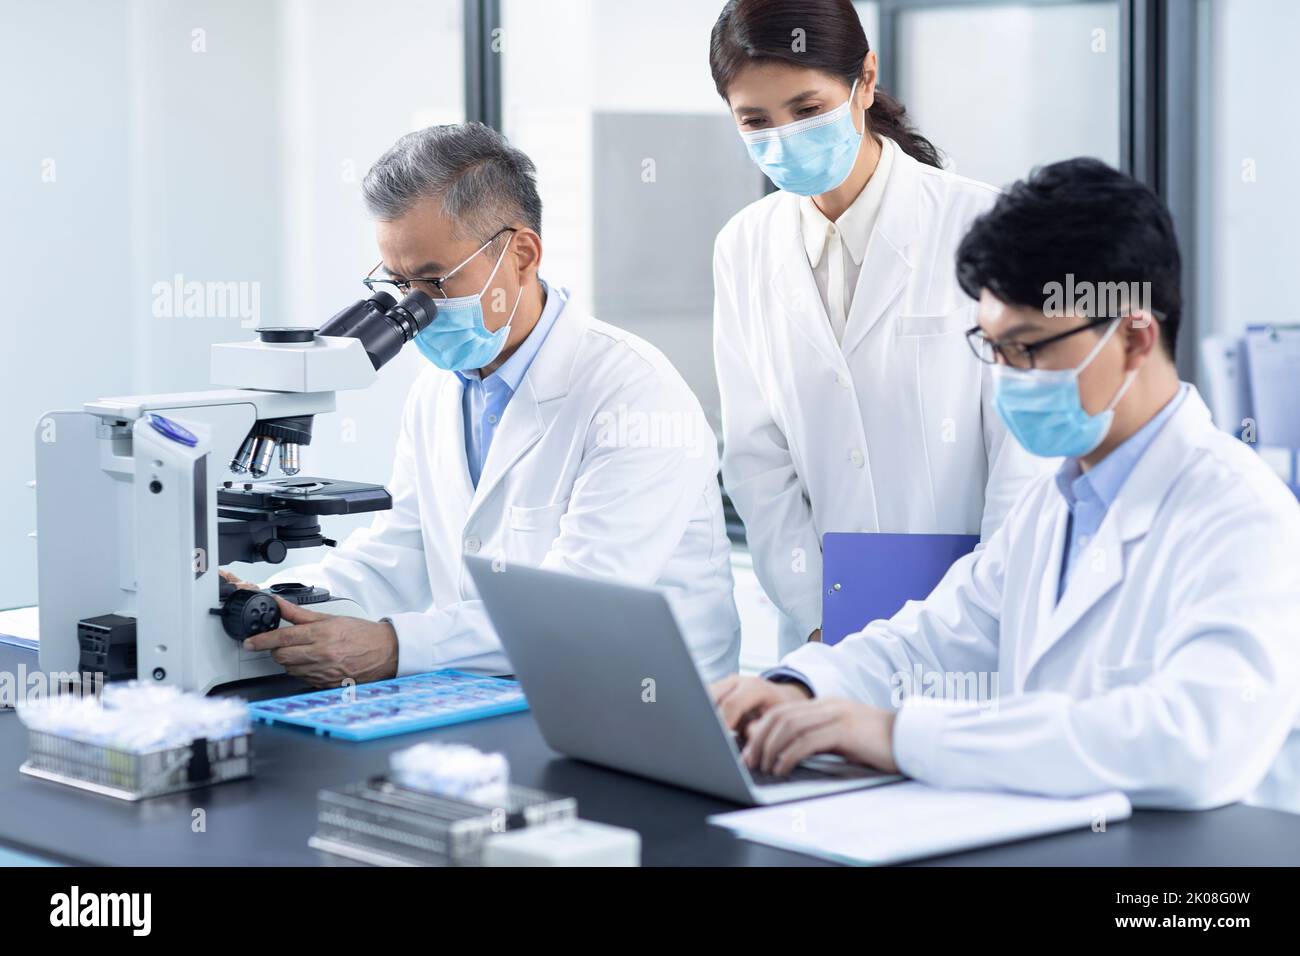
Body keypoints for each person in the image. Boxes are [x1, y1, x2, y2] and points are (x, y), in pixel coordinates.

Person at [713, 158, 1300, 812]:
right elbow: (930, 639)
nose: (1006, 377)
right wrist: (800, 687)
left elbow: (1193, 740)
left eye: (1028, 349)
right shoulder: (1057, 505)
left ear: (1134, 338)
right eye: (991, 348)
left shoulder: (1243, 515)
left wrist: (901, 735)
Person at [224, 123, 741, 685]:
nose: (416, 308)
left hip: (642, 710)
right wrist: (278, 600)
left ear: (521, 253)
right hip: (491, 700)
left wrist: (396, 646)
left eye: (435, 282)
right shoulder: (440, 388)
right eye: (399, 285)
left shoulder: (635, 394)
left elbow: (580, 604)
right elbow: (401, 550)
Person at [709, 0, 1046, 656]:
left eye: (807, 110)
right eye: (755, 120)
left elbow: (1024, 453)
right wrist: (814, 615)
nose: (783, 137)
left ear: (865, 80)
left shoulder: (983, 226)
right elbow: (755, 457)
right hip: (823, 640)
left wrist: (978, 615)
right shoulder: (742, 247)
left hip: (974, 630)